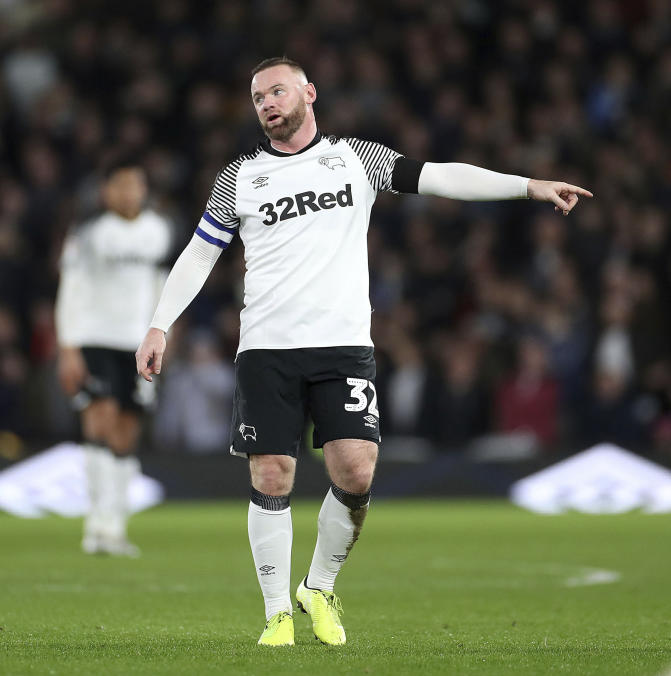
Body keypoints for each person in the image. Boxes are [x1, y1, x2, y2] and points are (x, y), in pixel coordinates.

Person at [136, 56, 592, 647]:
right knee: (272, 474)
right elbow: (199, 255)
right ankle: (276, 613)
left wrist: (527, 185)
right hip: (268, 349)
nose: (267, 103)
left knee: (356, 470)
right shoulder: (241, 178)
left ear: (309, 93)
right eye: (257, 97)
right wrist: (158, 326)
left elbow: (441, 176)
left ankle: (318, 587)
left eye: (277, 91)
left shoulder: (356, 158)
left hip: (344, 346)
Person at [55, 160, 171, 556]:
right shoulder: (88, 233)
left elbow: (163, 286)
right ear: (106, 191)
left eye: (134, 185)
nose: (127, 192)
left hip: (138, 343)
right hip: (94, 340)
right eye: (120, 185)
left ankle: (116, 527)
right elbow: (69, 288)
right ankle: (96, 526)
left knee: (125, 431)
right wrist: (68, 348)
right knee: (99, 421)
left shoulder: (158, 232)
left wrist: (163, 335)